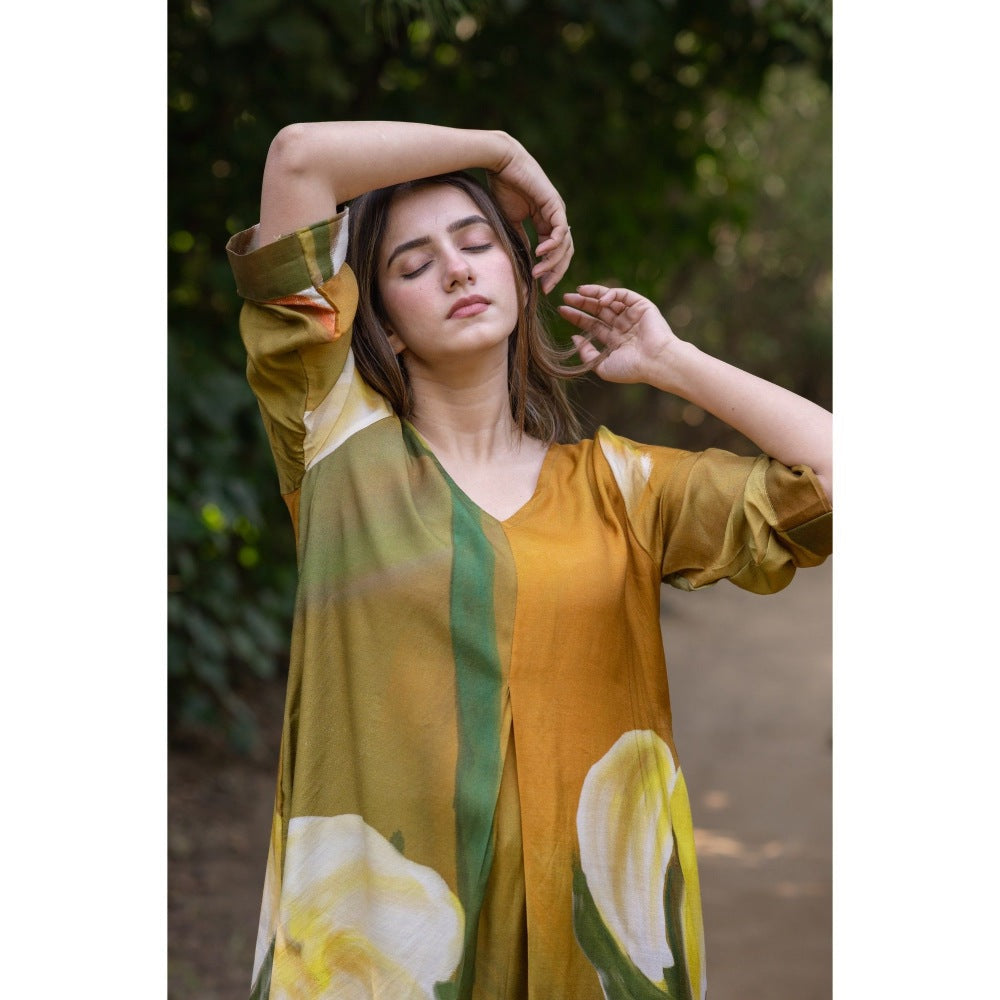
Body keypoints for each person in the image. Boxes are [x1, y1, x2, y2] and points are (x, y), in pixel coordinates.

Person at [225, 120, 832, 1000]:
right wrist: (498, 151)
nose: (457, 270)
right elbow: (298, 158)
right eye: (414, 264)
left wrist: (672, 361)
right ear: (382, 324)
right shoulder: (336, 447)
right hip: (381, 966)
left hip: (587, 966)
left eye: (477, 245)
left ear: (520, 276)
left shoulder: (622, 490)